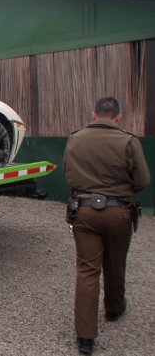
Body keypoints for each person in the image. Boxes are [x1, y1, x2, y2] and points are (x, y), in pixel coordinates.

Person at [63, 97, 150, 355]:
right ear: (118, 116)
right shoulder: (129, 141)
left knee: (87, 271)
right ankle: (114, 309)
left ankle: (85, 338)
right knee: (115, 262)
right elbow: (143, 180)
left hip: (85, 210)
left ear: (93, 113)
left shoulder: (75, 138)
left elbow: (68, 175)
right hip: (119, 211)